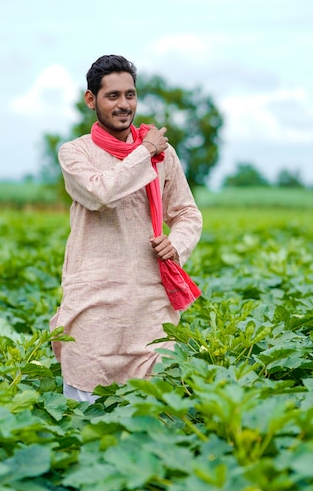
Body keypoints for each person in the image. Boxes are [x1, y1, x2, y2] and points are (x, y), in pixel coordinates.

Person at [50, 54, 202, 403]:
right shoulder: (75, 153)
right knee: (84, 410)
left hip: (149, 301)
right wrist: (144, 151)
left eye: (129, 95)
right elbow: (100, 192)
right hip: (94, 302)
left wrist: (176, 244)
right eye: (113, 96)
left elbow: (186, 212)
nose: (124, 105)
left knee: (153, 409)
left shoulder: (164, 154)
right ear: (92, 100)